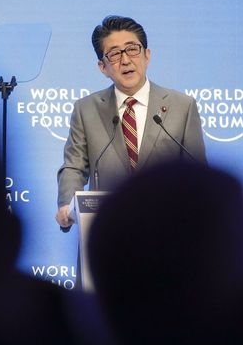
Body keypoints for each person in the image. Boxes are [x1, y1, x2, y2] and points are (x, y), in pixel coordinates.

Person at [55, 14, 206, 230]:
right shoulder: (86, 109)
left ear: (147, 55)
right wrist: (67, 204)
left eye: (132, 49)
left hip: (168, 231)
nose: (125, 60)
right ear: (103, 67)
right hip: (107, 232)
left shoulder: (182, 106)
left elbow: (197, 172)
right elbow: (74, 166)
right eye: (114, 54)